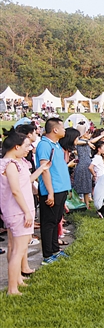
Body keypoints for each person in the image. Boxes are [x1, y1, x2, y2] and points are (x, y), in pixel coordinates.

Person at [0, 131, 51, 295]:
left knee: (17, 248)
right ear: (16, 147)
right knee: (18, 250)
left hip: (18, 210)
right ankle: (12, 289)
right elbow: (16, 191)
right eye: (26, 146)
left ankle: (17, 281)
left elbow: (25, 181)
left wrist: (42, 168)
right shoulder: (11, 165)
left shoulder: (13, 162)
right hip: (18, 211)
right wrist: (27, 213)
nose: (29, 149)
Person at [34, 118, 72, 265]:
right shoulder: (44, 145)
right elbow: (44, 170)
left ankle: (55, 250)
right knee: (48, 223)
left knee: (56, 220)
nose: (65, 130)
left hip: (60, 189)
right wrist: (50, 192)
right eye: (62, 127)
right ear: (55, 130)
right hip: (52, 190)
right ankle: (47, 255)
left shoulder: (55, 145)